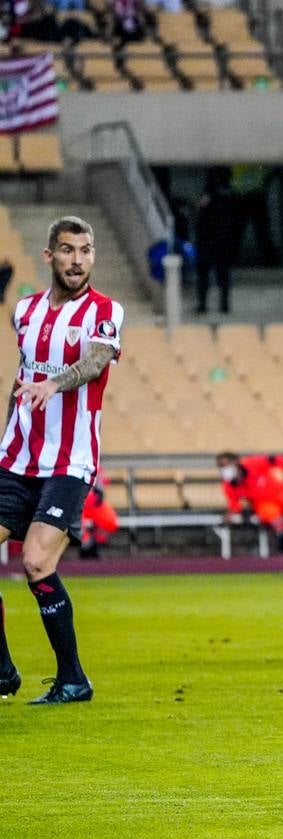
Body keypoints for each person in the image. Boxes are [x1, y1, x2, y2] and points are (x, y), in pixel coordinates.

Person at [0, 215, 124, 705]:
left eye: (86, 250)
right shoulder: (25, 311)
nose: (78, 260)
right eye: (68, 250)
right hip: (16, 459)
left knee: (34, 561)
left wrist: (53, 384)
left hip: (69, 462)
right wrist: (11, 425)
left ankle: (73, 678)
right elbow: (21, 379)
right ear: (50, 256)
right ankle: (3, 671)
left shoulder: (105, 312)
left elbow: (94, 361)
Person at [217, 451, 283, 547]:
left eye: (225, 466)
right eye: (220, 467)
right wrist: (228, 516)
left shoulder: (252, 463)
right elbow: (234, 505)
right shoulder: (228, 485)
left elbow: (278, 459)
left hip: (281, 494)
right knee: (268, 513)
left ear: (236, 462)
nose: (223, 470)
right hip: (263, 503)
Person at [195, 166, 235, 315]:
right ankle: (224, 304)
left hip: (208, 239)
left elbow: (200, 216)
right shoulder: (229, 194)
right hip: (223, 238)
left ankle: (203, 304)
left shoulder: (208, 197)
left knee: (205, 273)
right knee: (223, 273)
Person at [79, 473, 118, 559]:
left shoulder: (96, 500)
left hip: (95, 518)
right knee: (84, 534)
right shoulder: (85, 497)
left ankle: (93, 553)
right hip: (83, 519)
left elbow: (111, 523)